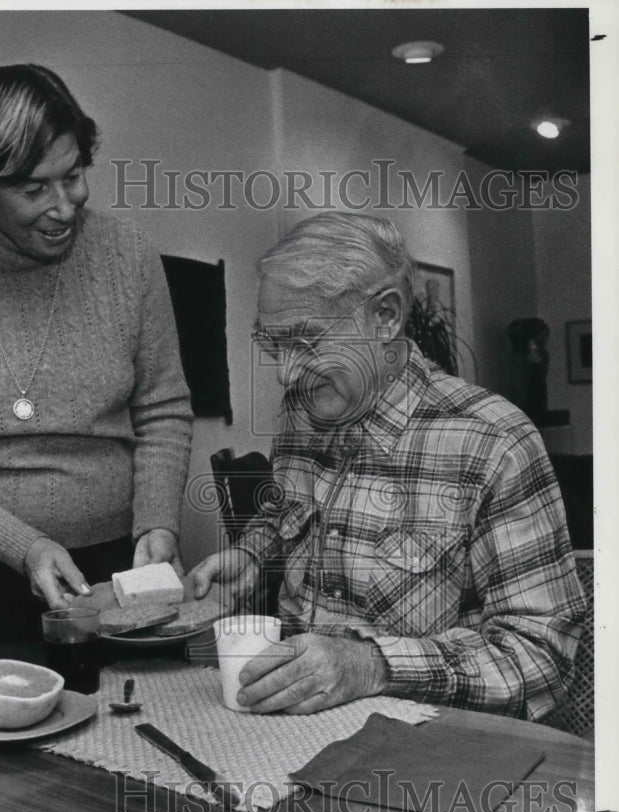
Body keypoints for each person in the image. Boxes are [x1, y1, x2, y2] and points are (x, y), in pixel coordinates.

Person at [192, 213, 585, 720]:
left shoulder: (493, 441)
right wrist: (252, 554)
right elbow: (288, 520)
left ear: (386, 317)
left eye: (305, 341)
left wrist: (371, 664)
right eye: (273, 344)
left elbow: (541, 655)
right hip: (287, 732)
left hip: (431, 756)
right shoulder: (301, 415)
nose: (286, 373)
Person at [0, 64, 193, 643]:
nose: (64, 206)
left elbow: (163, 411)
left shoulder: (130, 256)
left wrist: (158, 524)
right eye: (32, 189)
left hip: (119, 567)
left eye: (72, 176)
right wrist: (26, 546)